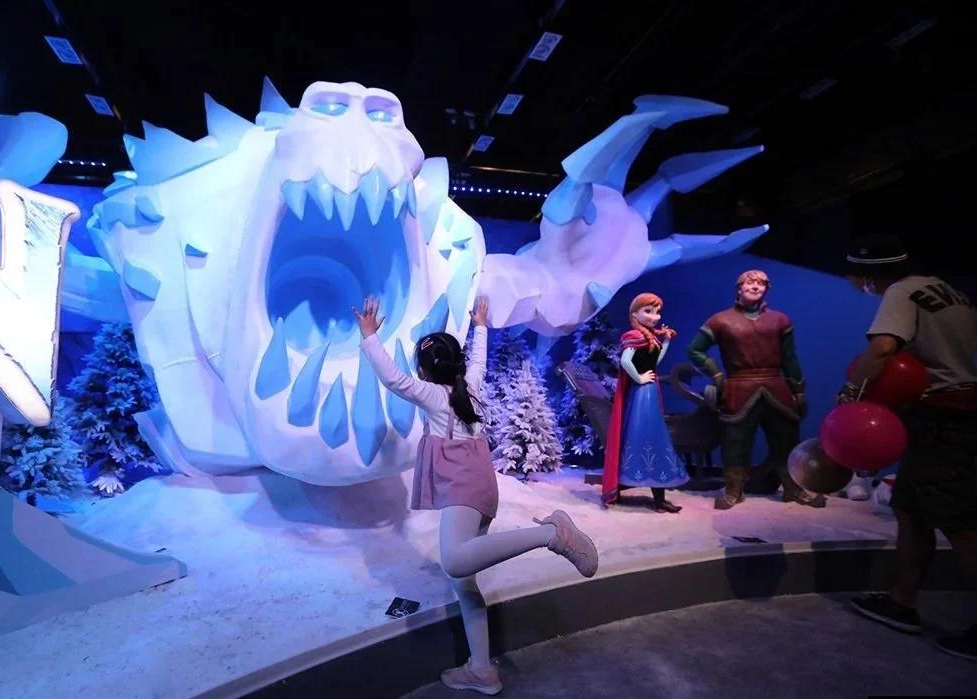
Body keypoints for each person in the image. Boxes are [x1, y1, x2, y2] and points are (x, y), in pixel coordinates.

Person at [354, 295, 599, 695]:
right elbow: (479, 361)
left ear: (425, 369)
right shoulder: (470, 385)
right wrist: (481, 325)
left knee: (453, 562)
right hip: (481, 485)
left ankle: (549, 533)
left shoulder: (434, 395)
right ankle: (482, 670)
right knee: (465, 583)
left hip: (462, 488)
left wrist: (369, 338)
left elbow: (392, 378)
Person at [841, 236, 977, 661]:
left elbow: (884, 347)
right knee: (911, 508)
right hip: (946, 409)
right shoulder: (950, 291)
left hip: (940, 412)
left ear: (871, 273)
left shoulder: (901, 291)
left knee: (960, 519)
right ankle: (901, 603)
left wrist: (852, 391)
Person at [686, 270, 826, 509]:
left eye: (761, 283)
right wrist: (717, 374)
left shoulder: (780, 320)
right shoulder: (720, 320)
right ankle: (734, 490)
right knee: (735, 442)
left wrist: (798, 391)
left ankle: (793, 489)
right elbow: (695, 350)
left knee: (787, 440)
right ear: (739, 288)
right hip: (739, 388)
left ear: (767, 289)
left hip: (776, 386)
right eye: (750, 283)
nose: (755, 287)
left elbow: (790, 359)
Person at [602, 293, 688, 512]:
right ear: (635, 314)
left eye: (657, 312)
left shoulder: (651, 337)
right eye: (648, 311)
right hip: (641, 394)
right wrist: (639, 378)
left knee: (653, 437)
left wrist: (666, 342)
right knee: (642, 435)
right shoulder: (633, 336)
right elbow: (625, 361)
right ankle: (620, 488)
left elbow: (654, 362)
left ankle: (659, 498)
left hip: (649, 391)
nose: (654, 316)